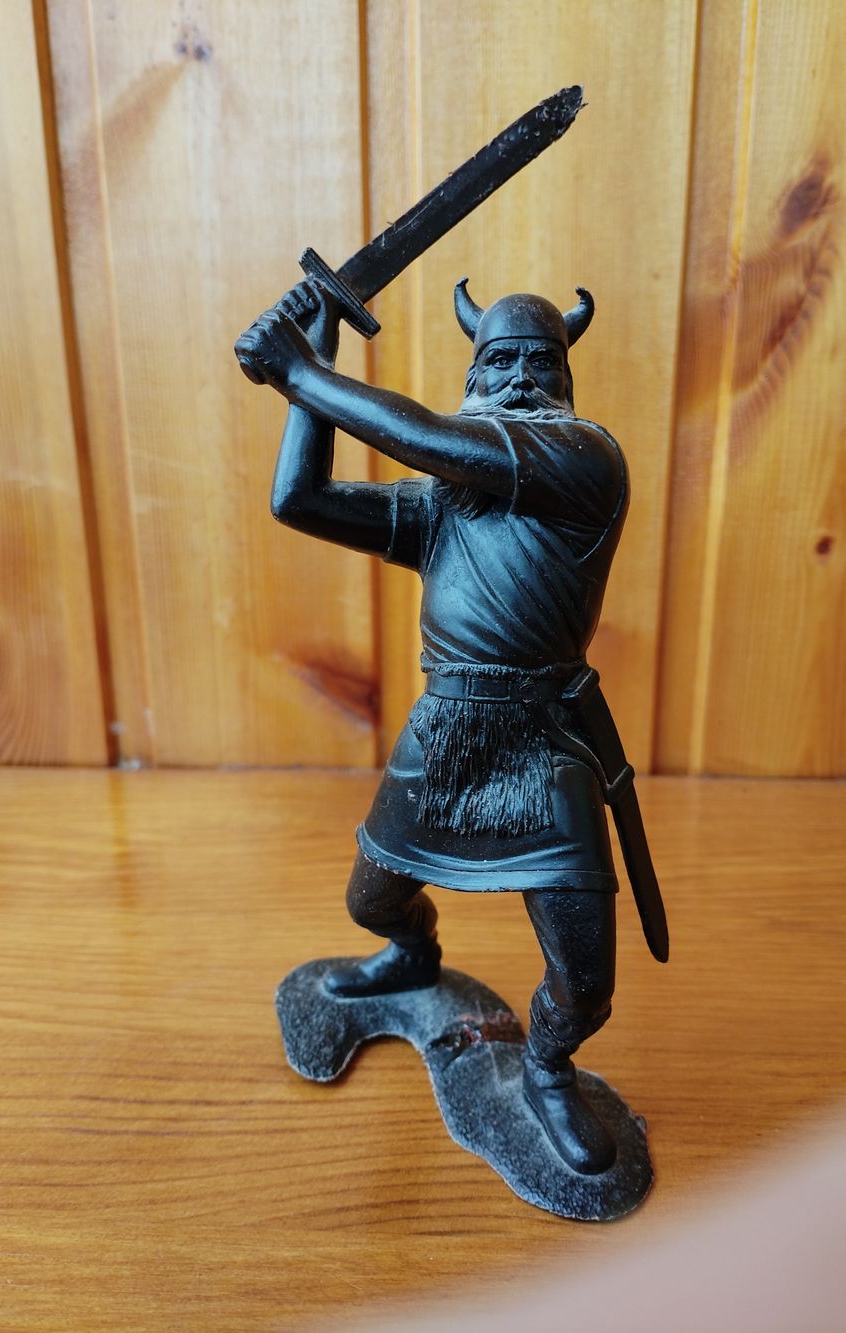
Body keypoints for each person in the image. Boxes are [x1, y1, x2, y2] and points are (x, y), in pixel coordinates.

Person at [235, 276, 662, 1175]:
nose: (518, 378)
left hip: (546, 745)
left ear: (566, 376)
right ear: (475, 371)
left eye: (540, 362)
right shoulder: (442, 508)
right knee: (371, 902)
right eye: (498, 361)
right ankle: (413, 954)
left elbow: (430, 437)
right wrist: (315, 366)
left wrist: (300, 372)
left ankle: (547, 1069)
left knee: (586, 981)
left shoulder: (585, 458)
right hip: (444, 738)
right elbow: (298, 499)